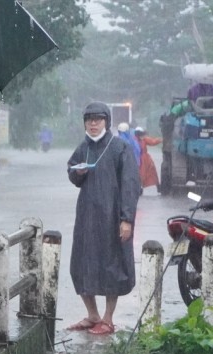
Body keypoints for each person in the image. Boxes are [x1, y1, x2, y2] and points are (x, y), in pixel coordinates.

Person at [66, 102, 140, 336]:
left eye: (98, 119)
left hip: (112, 218)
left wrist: (126, 219)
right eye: (89, 120)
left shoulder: (120, 147)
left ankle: (108, 318)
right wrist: (76, 173)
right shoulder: (83, 148)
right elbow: (71, 171)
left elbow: (130, 185)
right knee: (80, 264)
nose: (93, 123)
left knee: (112, 266)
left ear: (107, 122)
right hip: (86, 218)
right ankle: (92, 314)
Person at [134, 126, 162, 192]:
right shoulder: (134, 140)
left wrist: (160, 140)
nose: (142, 135)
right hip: (138, 159)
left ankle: (158, 186)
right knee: (140, 174)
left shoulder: (144, 139)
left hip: (146, 159)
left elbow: (153, 141)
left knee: (152, 172)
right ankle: (139, 187)